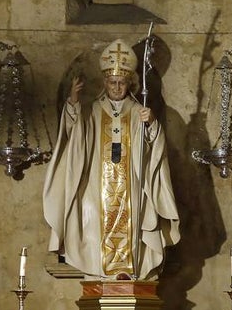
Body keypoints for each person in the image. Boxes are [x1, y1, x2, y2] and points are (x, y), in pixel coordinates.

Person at [42, 37, 180, 280]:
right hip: (97, 187)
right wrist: (73, 104)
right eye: (113, 82)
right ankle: (98, 271)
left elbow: (154, 149)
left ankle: (132, 271)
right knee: (92, 218)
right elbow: (75, 138)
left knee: (134, 221)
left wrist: (151, 126)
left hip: (132, 185)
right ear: (105, 82)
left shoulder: (139, 112)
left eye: (122, 83)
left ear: (131, 84)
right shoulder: (93, 111)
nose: (117, 87)